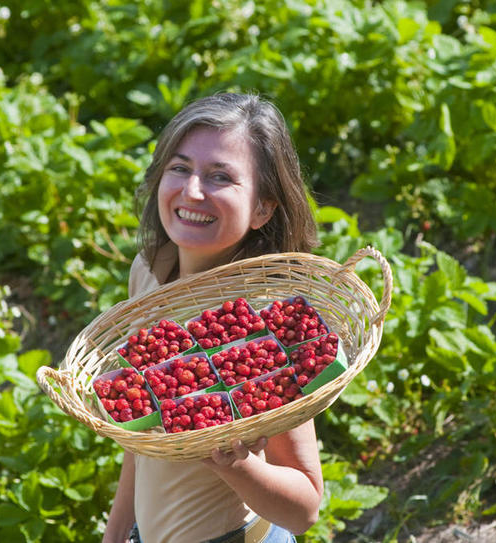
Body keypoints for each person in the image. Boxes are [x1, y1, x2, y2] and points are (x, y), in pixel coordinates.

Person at [102, 93, 324, 543]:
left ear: (263, 208)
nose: (193, 191)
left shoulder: (267, 323)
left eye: (221, 176)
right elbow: (140, 445)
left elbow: (304, 509)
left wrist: (235, 462)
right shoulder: (148, 275)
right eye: (180, 168)